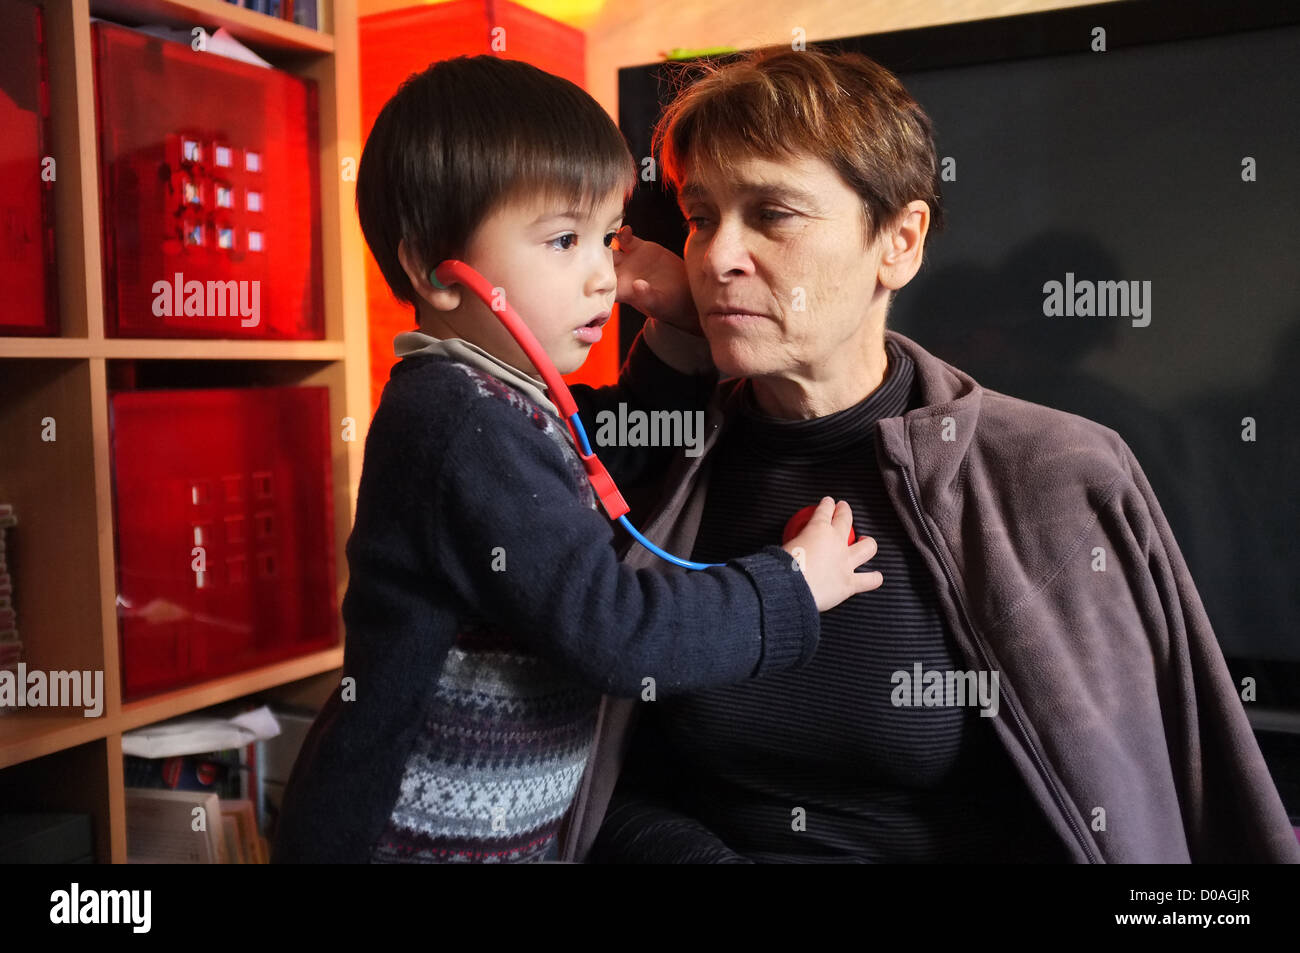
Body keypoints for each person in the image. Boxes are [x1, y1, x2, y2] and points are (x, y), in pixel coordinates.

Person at [562, 45, 1300, 863]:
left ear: (900, 241)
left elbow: (1132, 815)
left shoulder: (1057, 474)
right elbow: (593, 772)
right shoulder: (659, 465)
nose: (717, 256)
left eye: (773, 214)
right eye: (702, 217)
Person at [270, 54, 882, 864]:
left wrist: (677, 322)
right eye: (563, 240)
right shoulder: (455, 418)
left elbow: (626, 445)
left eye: (606, 237)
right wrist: (789, 588)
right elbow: (616, 632)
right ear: (432, 271)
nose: (603, 275)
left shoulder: (514, 403)